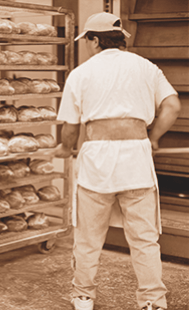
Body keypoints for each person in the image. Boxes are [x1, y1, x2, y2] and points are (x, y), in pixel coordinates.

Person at [54, 12, 181, 310]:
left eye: (87, 40)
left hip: (97, 159)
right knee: (144, 238)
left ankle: (84, 296)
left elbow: (71, 128)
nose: (87, 45)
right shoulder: (147, 67)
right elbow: (172, 105)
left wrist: (64, 148)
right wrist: (153, 138)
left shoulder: (81, 73)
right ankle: (153, 301)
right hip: (136, 158)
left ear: (95, 40)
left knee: (88, 237)